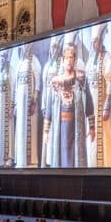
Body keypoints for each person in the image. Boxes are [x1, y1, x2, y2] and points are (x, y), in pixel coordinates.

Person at [46, 42, 91, 167]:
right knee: (61, 155)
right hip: (61, 126)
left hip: (76, 125)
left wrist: (91, 127)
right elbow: (50, 105)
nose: (69, 60)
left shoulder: (81, 79)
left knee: (75, 158)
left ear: (75, 59)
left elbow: (89, 102)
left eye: (71, 57)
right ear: (62, 59)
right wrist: (46, 131)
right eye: (67, 57)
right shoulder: (56, 81)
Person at [85, 23, 111, 167]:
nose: (94, 44)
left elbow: (110, 83)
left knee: (103, 138)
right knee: (91, 138)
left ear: (101, 40)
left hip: (101, 106)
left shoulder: (107, 59)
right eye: (92, 42)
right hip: (91, 108)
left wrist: (107, 106)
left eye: (96, 41)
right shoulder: (90, 61)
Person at [12, 43, 42, 168]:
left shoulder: (34, 61)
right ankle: (20, 159)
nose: (24, 49)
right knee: (20, 131)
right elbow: (15, 86)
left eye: (26, 47)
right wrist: (14, 104)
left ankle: (31, 161)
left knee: (30, 131)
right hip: (20, 103)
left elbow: (38, 83)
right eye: (22, 47)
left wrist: (34, 101)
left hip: (30, 104)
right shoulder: (19, 64)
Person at [40, 35, 63, 166]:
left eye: (56, 47)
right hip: (48, 104)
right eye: (52, 47)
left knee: (56, 133)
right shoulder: (47, 65)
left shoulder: (62, 64)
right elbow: (44, 86)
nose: (54, 50)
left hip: (57, 103)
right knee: (47, 134)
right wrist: (43, 106)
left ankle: (56, 162)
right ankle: (46, 162)